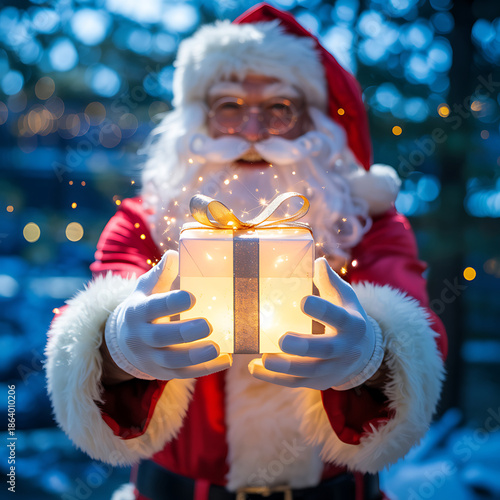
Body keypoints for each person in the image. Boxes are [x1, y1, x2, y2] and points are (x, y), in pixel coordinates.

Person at [45, 4, 447, 500]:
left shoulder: (367, 228)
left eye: (280, 108)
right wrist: (114, 346)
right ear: (201, 122)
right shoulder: (145, 224)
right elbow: (108, 293)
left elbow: (420, 329)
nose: (253, 131)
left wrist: (376, 357)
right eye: (230, 106)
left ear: (316, 128)